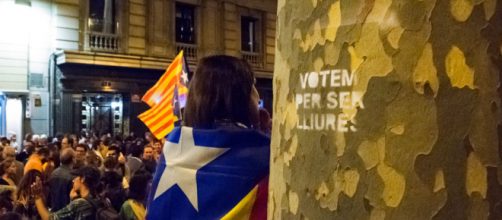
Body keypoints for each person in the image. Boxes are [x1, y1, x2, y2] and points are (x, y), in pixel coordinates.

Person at [32, 166, 101, 220]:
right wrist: (72, 200)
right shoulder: (98, 199)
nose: (73, 180)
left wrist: (37, 197)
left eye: (76, 177)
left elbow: (50, 218)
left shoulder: (80, 203)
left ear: (83, 179)